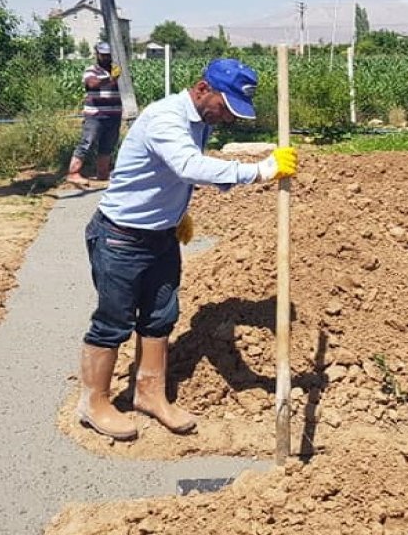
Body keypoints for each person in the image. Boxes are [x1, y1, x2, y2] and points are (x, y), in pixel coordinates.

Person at [77, 58, 298, 440]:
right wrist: (259, 171)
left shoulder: (200, 121)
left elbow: (171, 175)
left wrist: (175, 213)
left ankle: (150, 394)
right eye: (224, 108)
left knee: (160, 317)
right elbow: (188, 167)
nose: (227, 118)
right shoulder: (165, 118)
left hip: (160, 236)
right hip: (120, 237)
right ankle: (93, 402)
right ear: (201, 89)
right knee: (113, 321)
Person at [67, 42, 122, 187]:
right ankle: (73, 173)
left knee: (108, 145)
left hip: (114, 114)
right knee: (87, 142)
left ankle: (102, 174)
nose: (106, 58)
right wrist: (110, 79)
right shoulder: (92, 70)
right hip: (95, 114)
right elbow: (92, 84)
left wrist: (119, 76)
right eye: (103, 55)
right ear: (97, 54)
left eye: (108, 55)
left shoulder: (116, 70)